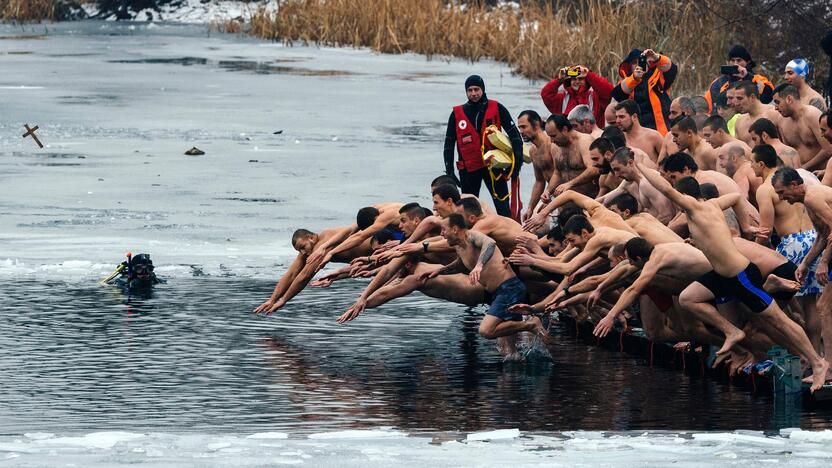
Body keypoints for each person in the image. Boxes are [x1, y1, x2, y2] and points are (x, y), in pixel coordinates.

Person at [638, 163, 829, 392]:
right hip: (722, 275)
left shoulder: (694, 208)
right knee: (689, 298)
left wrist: (640, 166)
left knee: (778, 321)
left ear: (685, 198)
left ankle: (818, 362)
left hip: (740, 276)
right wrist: (747, 226)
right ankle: (732, 331)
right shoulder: (713, 205)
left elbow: (666, 189)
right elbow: (737, 197)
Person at [421, 214, 546, 342]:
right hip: (496, 293)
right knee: (509, 351)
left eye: (443, 229)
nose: (442, 234)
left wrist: (479, 265)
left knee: (486, 331)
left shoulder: (472, 236)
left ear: (454, 229)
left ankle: (531, 324)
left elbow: (490, 243)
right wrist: (439, 271)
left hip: (509, 288)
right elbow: (460, 265)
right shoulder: (459, 247)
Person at [753, 151, 823, 352]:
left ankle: (803, 353)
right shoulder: (801, 176)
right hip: (813, 237)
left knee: (781, 305)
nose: (751, 167)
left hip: (792, 243)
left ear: (762, 164)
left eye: (752, 163)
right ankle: (817, 352)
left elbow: (765, 231)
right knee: (811, 304)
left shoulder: (766, 189)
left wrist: (756, 252)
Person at [772, 167, 832, 367]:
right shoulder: (810, 199)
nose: (781, 198)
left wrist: (823, 262)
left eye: (782, 192)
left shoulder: (812, 198)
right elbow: (823, 235)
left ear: (795, 185)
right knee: (825, 307)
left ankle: (829, 367)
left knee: (824, 307)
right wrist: (805, 263)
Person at [443, 75, 523, 218]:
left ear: (483, 89)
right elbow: (449, 144)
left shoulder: (497, 107)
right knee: (467, 210)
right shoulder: (456, 114)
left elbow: (516, 137)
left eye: (477, 89)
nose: (473, 93)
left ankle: (508, 236)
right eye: (470, 90)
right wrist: (449, 171)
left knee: (503, 207)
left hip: (494, 167)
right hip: (469, 169)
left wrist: (515, 167)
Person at [255, 224, 369, 314]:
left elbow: (305, 276)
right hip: (371, 260)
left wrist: (284, 300)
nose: (303, 252)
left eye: (303, 247)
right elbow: (291, 274)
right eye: (299, 250)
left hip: (379, 244)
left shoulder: (322, 244)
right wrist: (272, 300)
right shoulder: (309, 249)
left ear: (312, 237)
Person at [611, 48, 677, 135]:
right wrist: (634, 78)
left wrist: (657, 58)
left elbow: (672, 70)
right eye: (634, 63)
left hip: (663, 131)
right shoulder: (627, 82)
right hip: (639, 135)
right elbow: (617, 94)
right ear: (629, 67)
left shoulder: (658, 75)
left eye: (640, 61)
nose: (638, 65)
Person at [604, 147, 676, 224]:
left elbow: (667, 215)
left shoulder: (647, 183)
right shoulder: (630, 182)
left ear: (631, 163)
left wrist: (643, 231)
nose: (616, 174)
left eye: (618, 169)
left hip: (666, 229)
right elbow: (605, 200)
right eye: (614, 170)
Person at [773, 84, 832, 171]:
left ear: (789, 99)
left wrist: (803, 168)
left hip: (821, 173)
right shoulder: (781, 121)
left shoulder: (812, 115)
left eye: (778, 102)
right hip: (798, 176)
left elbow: (828, 149)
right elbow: (787, 151)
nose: (775, 108)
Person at [704, 45, 774, 114]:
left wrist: (747, 76)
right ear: (728, 62)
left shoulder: (757, 79)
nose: (735, 64)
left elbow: (768, 97)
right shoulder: (718, 82)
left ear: (747, 62)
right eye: (732, 60)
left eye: (739, 60)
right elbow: (708, 107)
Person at [542, 114, 597, 199]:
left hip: (587, 199)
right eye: (549, 136)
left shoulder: (584, 141)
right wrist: (548, 191)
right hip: (565, 202)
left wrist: (570, 184)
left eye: (553, 136)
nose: (551, 141)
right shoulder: (555, 146)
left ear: (564, 129)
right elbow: (557, 173)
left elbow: (593, 169)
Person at [540, 65, 613, 128]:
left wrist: (589, 75)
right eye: (574, 79)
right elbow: (546, 94)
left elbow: (609, 91)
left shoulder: (596, 97)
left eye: (580, 79)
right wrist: (559, 80)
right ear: (569, 81)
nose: (577, 81)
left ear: (587, 81)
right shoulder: (562, 99)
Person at [517, 110, 556, 222]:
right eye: (519, 128)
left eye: (524, 127)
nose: (521, 131)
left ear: (536, 125)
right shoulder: (533, 151)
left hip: (562, 194)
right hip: (549, 196)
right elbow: (539, 181)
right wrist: (530, 208)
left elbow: (562, 174)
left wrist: (550, 201)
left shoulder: (552, 144)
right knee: (528, 226)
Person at [731, 81, 782, 147]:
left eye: (740, 99)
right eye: (736, 99)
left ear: (752, 97)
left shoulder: (774, 114)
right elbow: (740, 151)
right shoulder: (740, 121)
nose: (737, 103)